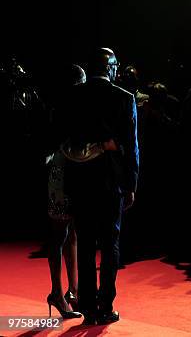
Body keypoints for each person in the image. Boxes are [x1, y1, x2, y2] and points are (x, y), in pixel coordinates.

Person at [62, 48, 139, 325]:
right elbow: (131, 147)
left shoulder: (73, 96)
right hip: (111, 182)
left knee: (84, 244)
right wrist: (131, 183)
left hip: (80, 180)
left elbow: (66, 138)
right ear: (111, 67)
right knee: (110, 245)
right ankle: (105, 305)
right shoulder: (124, 98)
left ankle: (88, 308)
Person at [45, 64, 87, 320]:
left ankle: (73, 290)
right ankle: (57, 292)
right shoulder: (63, 110)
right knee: (60, 233)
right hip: (62, 173)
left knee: (71, 233)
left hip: (67, 171)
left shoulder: (62, 108)